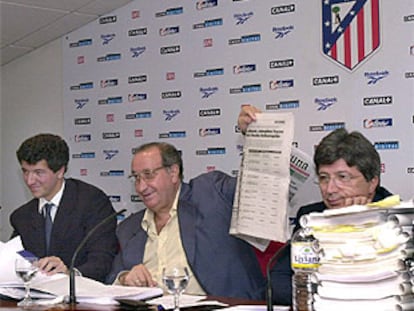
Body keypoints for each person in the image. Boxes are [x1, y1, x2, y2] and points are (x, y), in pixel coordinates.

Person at [238, 105, 393, 305]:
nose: (330, 189)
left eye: (342, 177)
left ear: (372, 181)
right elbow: (278, 282)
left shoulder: (396, 219)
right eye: (323, 178)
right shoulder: (311, 217)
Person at [106, 142, 265, 300]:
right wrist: (125, 277)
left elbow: (258, 185)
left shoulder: (211, 194)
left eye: (148, 175)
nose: (141, 187)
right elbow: (112, 278)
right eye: (136, 178)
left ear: (173, 172)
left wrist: (252, 135)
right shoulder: (129, 228)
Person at [10, 133, 118, 283]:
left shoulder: (92, 202)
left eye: (38, 172)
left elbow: (103, 259)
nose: (29, 180)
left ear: (60, 171)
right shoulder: (21, 216)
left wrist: (69, 273)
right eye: (25, 171)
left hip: (81, 297)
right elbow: (18, 255)